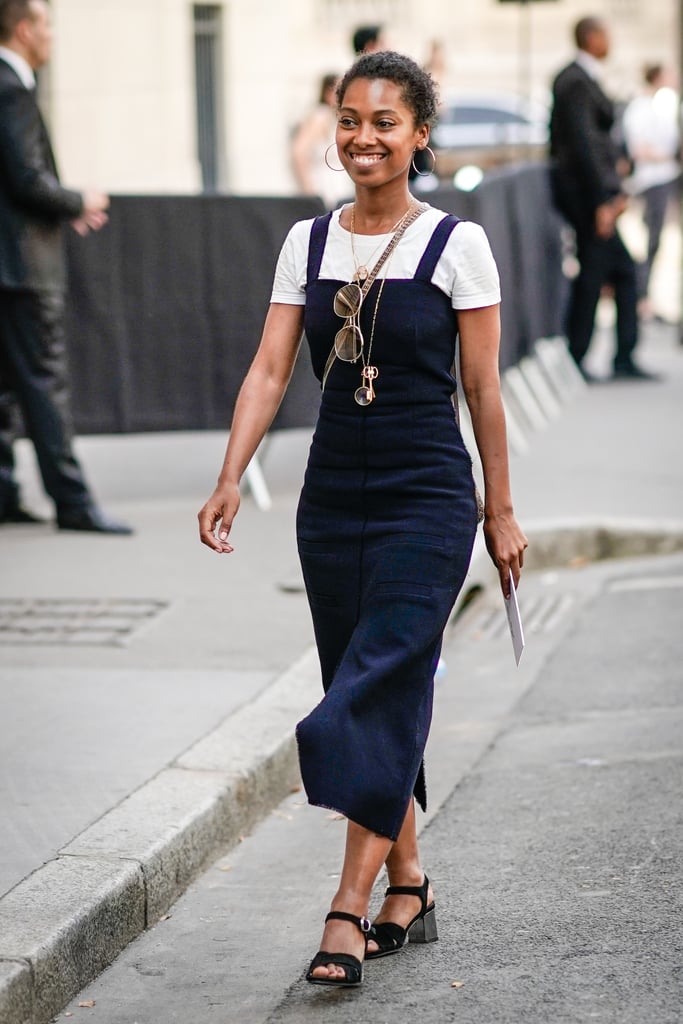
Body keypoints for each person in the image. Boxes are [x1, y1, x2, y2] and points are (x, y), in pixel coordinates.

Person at [198, 51, 526, 988]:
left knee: (374, 686)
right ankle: (408, 882)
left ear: (419, 135)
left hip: (427, 494)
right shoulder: (306, 243)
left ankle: (344, 910)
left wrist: (496, 512)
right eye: (349, 119)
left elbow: (481, 387)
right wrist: (231, 475)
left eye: (385, 122)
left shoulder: (456, 244)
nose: (363, 137)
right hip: (331, 494)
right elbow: (268, 371)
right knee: (372, 683)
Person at [0, 0, 132, 532]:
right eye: (48, 24)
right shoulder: (12, 88)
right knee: (44, 383)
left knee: (7, 388)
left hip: (9, 263)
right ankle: (73, 502)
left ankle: (5, 494)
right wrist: (80, 201)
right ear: (26, 29)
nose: (52, 35)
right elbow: (27, 178)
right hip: (23, 268)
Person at [549, 16, 657, 382]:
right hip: (589, 201)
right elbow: (583, 147)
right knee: (598, 275)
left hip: (596, 199)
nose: (610, 42)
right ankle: (580, 358)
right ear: (592, 38)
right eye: (606, 35)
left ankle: (605, 356)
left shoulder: (582, 78)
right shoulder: (575, 81)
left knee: (612, 273)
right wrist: (603, 201)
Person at [622, 64, 681, 319]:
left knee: (658, 242)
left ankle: (645, 295)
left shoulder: (663, 106)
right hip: (650, 180)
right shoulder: (640, 109)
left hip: (665, 178)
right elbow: (639, 148)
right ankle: (640, 296)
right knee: (649, 240)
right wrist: (667, 157)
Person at [291, 73, 351, 209]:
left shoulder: (336, 118)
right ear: (327, 93)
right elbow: (299, 152)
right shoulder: (320, 116)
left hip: (339, 188)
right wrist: (309, 191)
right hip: (324, 188)